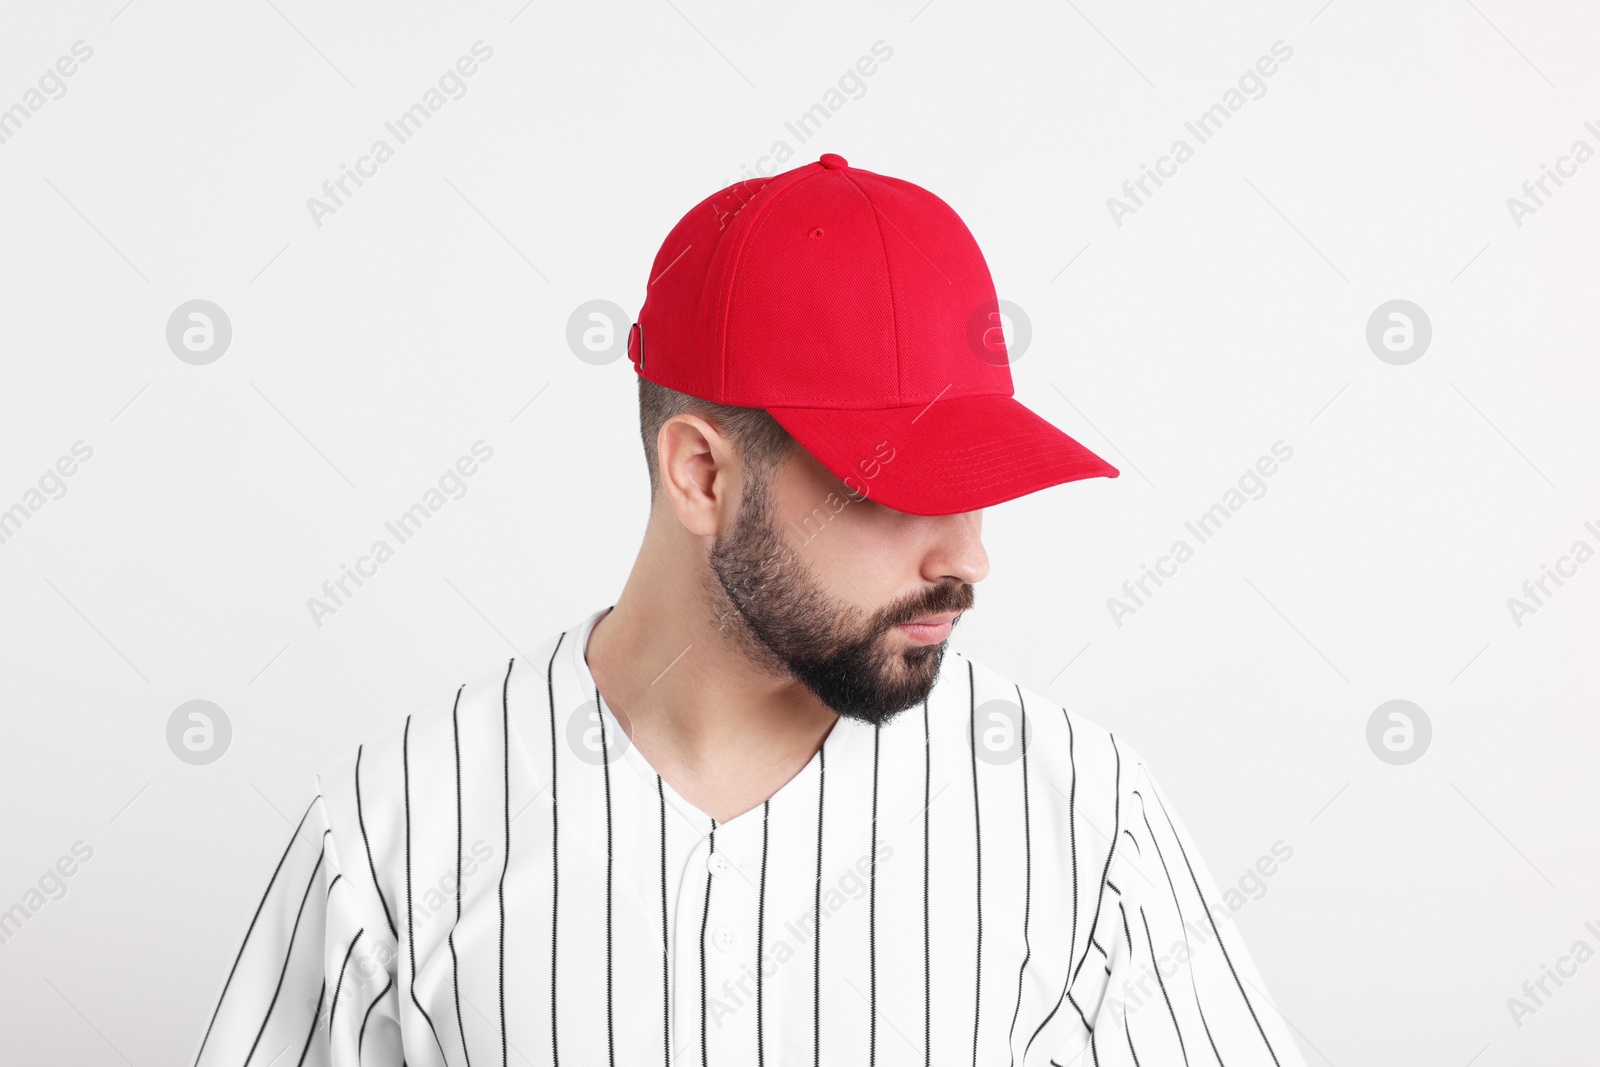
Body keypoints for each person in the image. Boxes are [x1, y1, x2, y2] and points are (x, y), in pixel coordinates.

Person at [191, 153, 1305, 1067]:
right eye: (896, 486)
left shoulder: (1084, 818)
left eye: (974, 481)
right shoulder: (395, 827)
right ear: (702, 476)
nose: (968, 555)